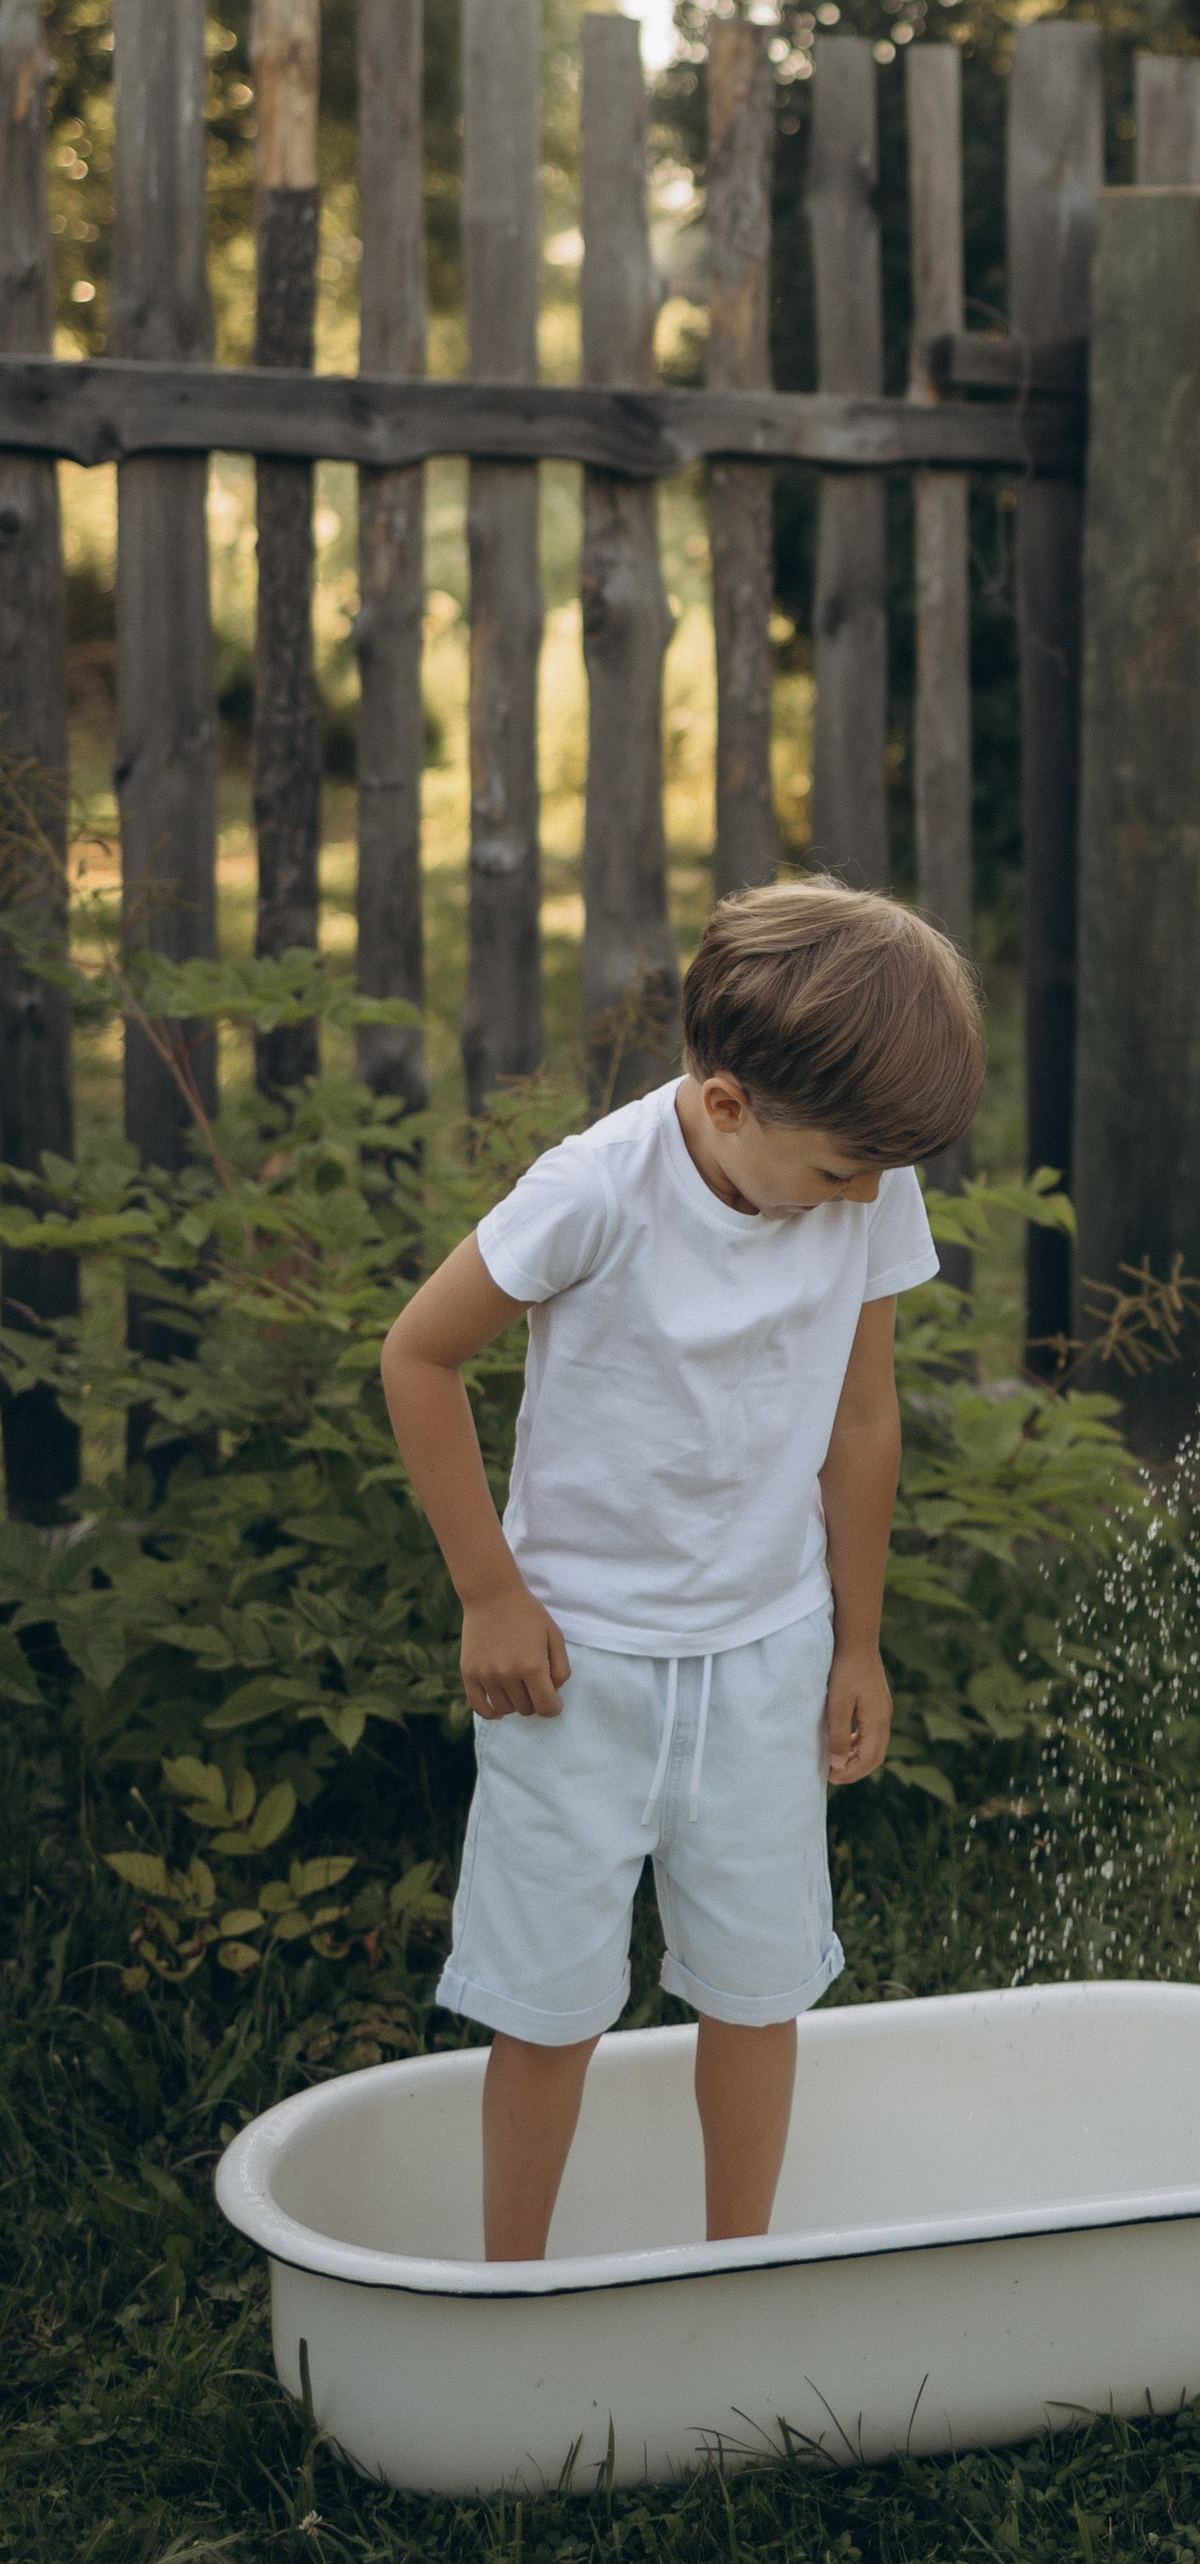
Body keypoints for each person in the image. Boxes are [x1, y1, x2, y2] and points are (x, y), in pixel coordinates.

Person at [381, 879, 981, 2264]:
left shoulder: (861, 1177)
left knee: (760, 1990)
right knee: (550, 2009)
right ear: (725, 1105)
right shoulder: (595, 1189)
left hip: (767, 1661)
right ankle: (510, 2287)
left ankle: (735, 2270)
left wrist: (856, 1642)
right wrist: (491, 1591)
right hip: (576, 1673)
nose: (866, 1198)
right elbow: (418, 1354)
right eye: (840, 1171)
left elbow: (861, 1415)